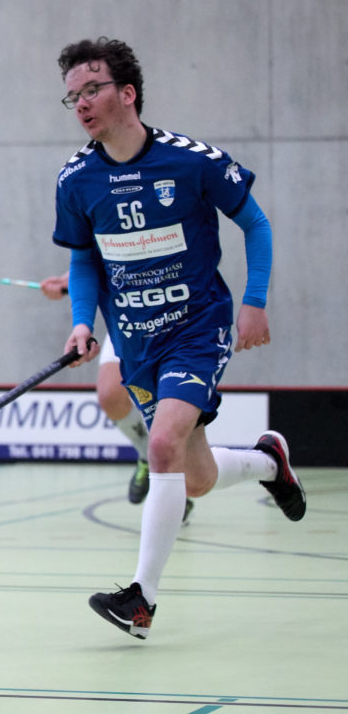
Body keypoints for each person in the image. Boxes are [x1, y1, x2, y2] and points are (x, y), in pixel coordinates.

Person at [51, 36, 306, 640]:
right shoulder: (76, 179)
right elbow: (85, 260)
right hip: (136, 341)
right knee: (195, 476)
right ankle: (268, 462)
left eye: (92, 89)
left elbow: (256, 223)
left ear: (127, 92)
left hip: (197, 329)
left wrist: (255, 302)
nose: (82, 104)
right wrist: (83, 321)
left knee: (161, 445)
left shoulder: (192, 162)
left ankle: (141, 602)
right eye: (71, 97)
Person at [40, 273, 155, 505]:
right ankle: (147, 456)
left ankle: (176, 492)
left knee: (171, 416)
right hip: (127, 319)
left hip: (179, 321)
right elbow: (90, 256)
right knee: (110, 397)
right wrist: (68, 279)